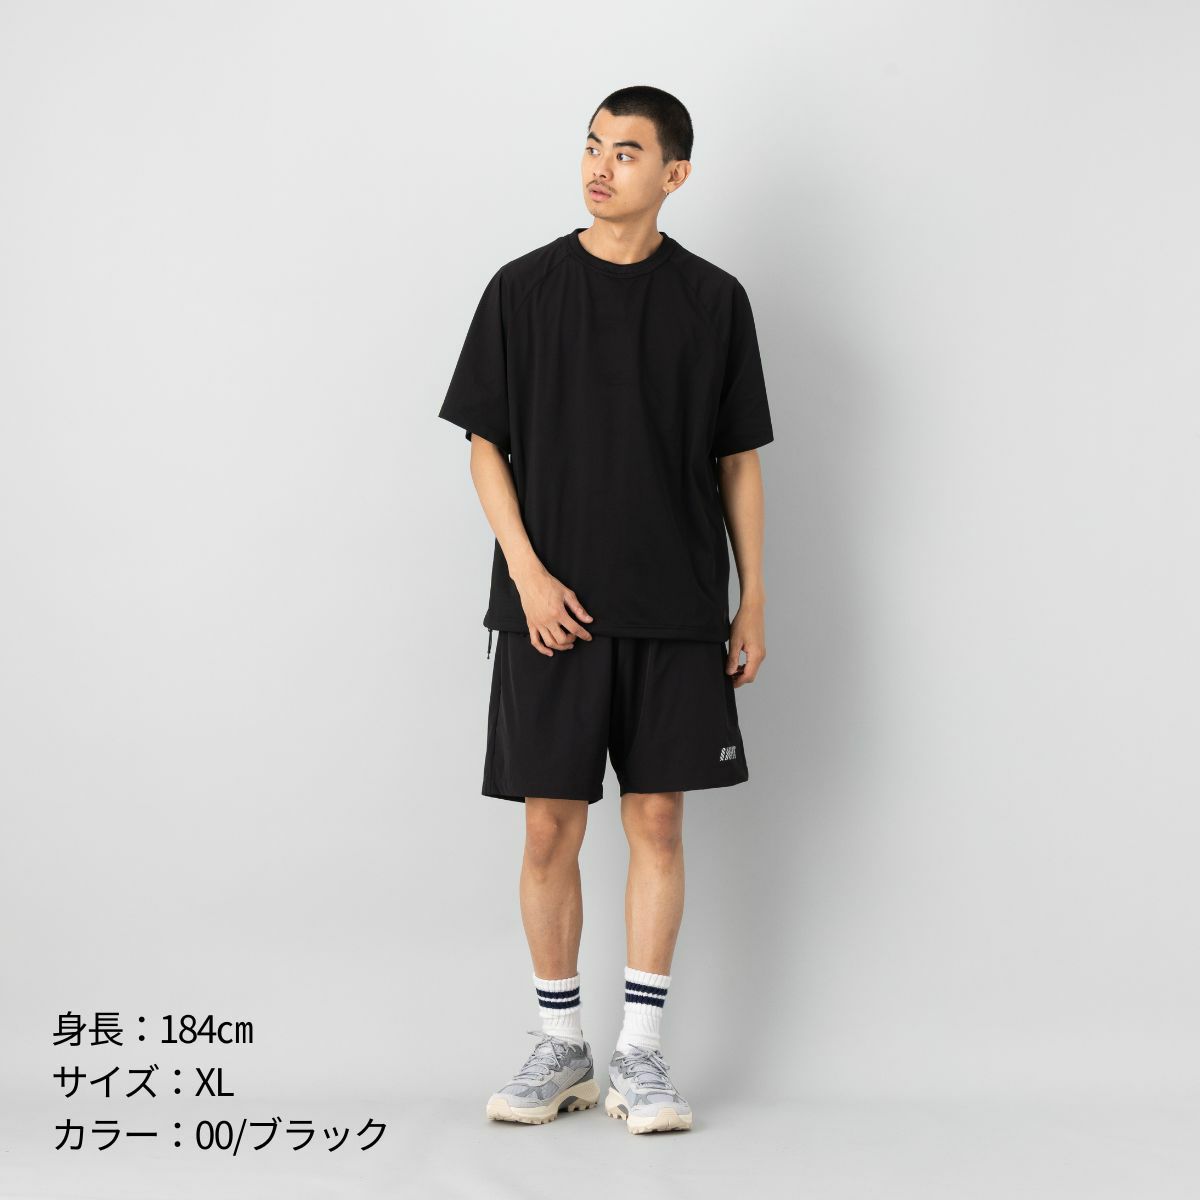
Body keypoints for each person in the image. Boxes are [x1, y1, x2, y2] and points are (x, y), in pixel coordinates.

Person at [437, 84, 774, 1134]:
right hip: (551, 612)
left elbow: (737, 461)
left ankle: (640, 1055)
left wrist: (753, 596)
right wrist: (528, 576)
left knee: (658, 821)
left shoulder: (713, 300)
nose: (600, 165)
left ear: (674, 174)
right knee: (549, 826)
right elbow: (484, 445)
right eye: (592, 145)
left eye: (627, 152)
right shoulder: (523, 289)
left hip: (676, 607)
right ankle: (561, 1045)